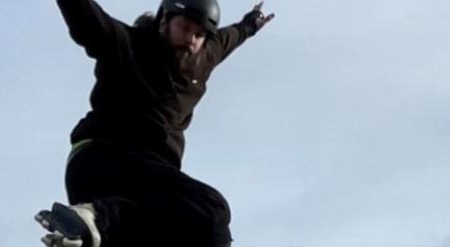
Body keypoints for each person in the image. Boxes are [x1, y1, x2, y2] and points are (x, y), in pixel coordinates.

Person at [35, 0, 274, 246]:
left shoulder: (205, 57)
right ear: (165, 20)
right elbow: (87, 20)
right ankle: (93, 218)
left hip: (140, 192)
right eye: (185, 28)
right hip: (105, 159)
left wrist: (250, 24)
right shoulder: (128, 45)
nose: (191, 39)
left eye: (199, 35)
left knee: (171, 232)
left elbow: (230, 37)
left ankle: (86, 230)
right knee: (212, 212)